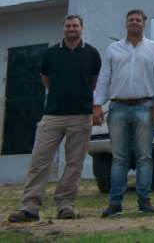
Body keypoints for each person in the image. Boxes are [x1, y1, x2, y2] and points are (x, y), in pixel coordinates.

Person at [7, 15, 101, 223]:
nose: (71, 29)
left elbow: (94, 82)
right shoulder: (51, 53)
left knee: (74, 163)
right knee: (40, 160)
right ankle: (30, 207)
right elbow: (46, 79)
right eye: (68, 25)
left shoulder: (92, 54)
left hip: (81, 115)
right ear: (63, 28)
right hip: (53, 115)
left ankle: (65, 205)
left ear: (81, 28)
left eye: (75, 25)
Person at [94, 9, 154, 217]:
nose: (135, 22)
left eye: (138, 20)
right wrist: (97, 105)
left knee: (144, 157)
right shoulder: (113, 49)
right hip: (117, 107)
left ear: (144, 24)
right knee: (119, 158)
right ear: (126, 24)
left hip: (145, 107)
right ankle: (115, 203)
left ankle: (144, 201)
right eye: (131, 20)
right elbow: (104, 77)